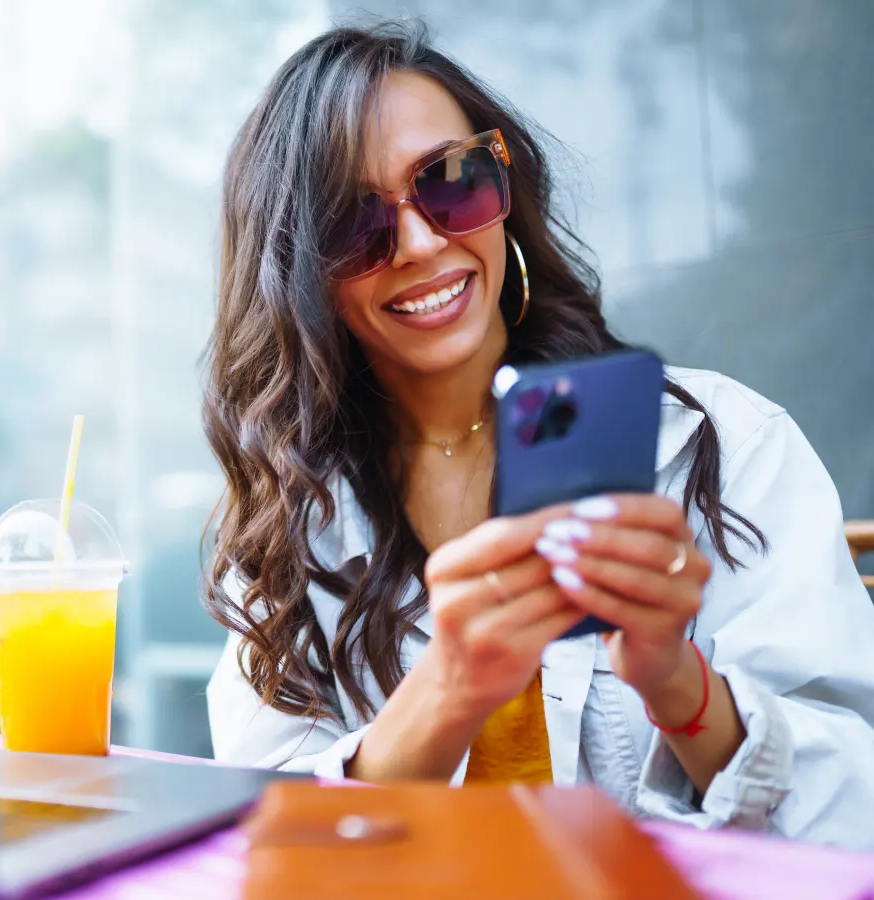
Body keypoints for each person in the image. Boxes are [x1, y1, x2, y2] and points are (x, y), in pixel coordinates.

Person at [201, 20, 874, 848]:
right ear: (299, 275)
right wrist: (445, 692)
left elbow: (857, 808)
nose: (420, 242)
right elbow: (277, 850)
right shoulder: (290, 527)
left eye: (451, 182)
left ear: (504, 186)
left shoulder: (726, 446)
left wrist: (679, 684)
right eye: (355, 223)